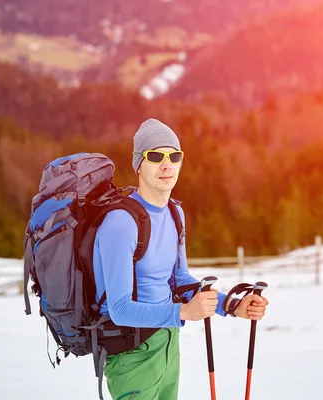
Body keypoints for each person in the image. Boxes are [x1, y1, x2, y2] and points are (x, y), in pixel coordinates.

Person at [92, 118, 270, 400]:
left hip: (168, 344)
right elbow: (120, 309)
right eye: (155, 156)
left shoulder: (175, 213)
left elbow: (180, 280)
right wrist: (183, 313)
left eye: (174, 156)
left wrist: (232, 305)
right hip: (131, 354)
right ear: (139, 164)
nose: (167, 165)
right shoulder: (121, 223)